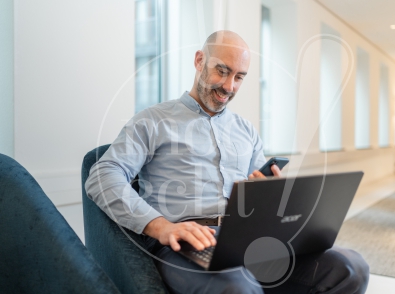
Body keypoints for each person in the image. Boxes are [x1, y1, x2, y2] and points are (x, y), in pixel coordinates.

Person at [86, 30, 369, 293]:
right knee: (237, 287)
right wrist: (160, 226)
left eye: (239, 77)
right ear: (200, 61)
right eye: (222, 71)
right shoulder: (153, 120)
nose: (229, 86)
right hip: (189, 242)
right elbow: (103, 175)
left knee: (349, 268)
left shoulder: (246, 131)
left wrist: (272, 196)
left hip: (247, 239)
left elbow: (259, 193)